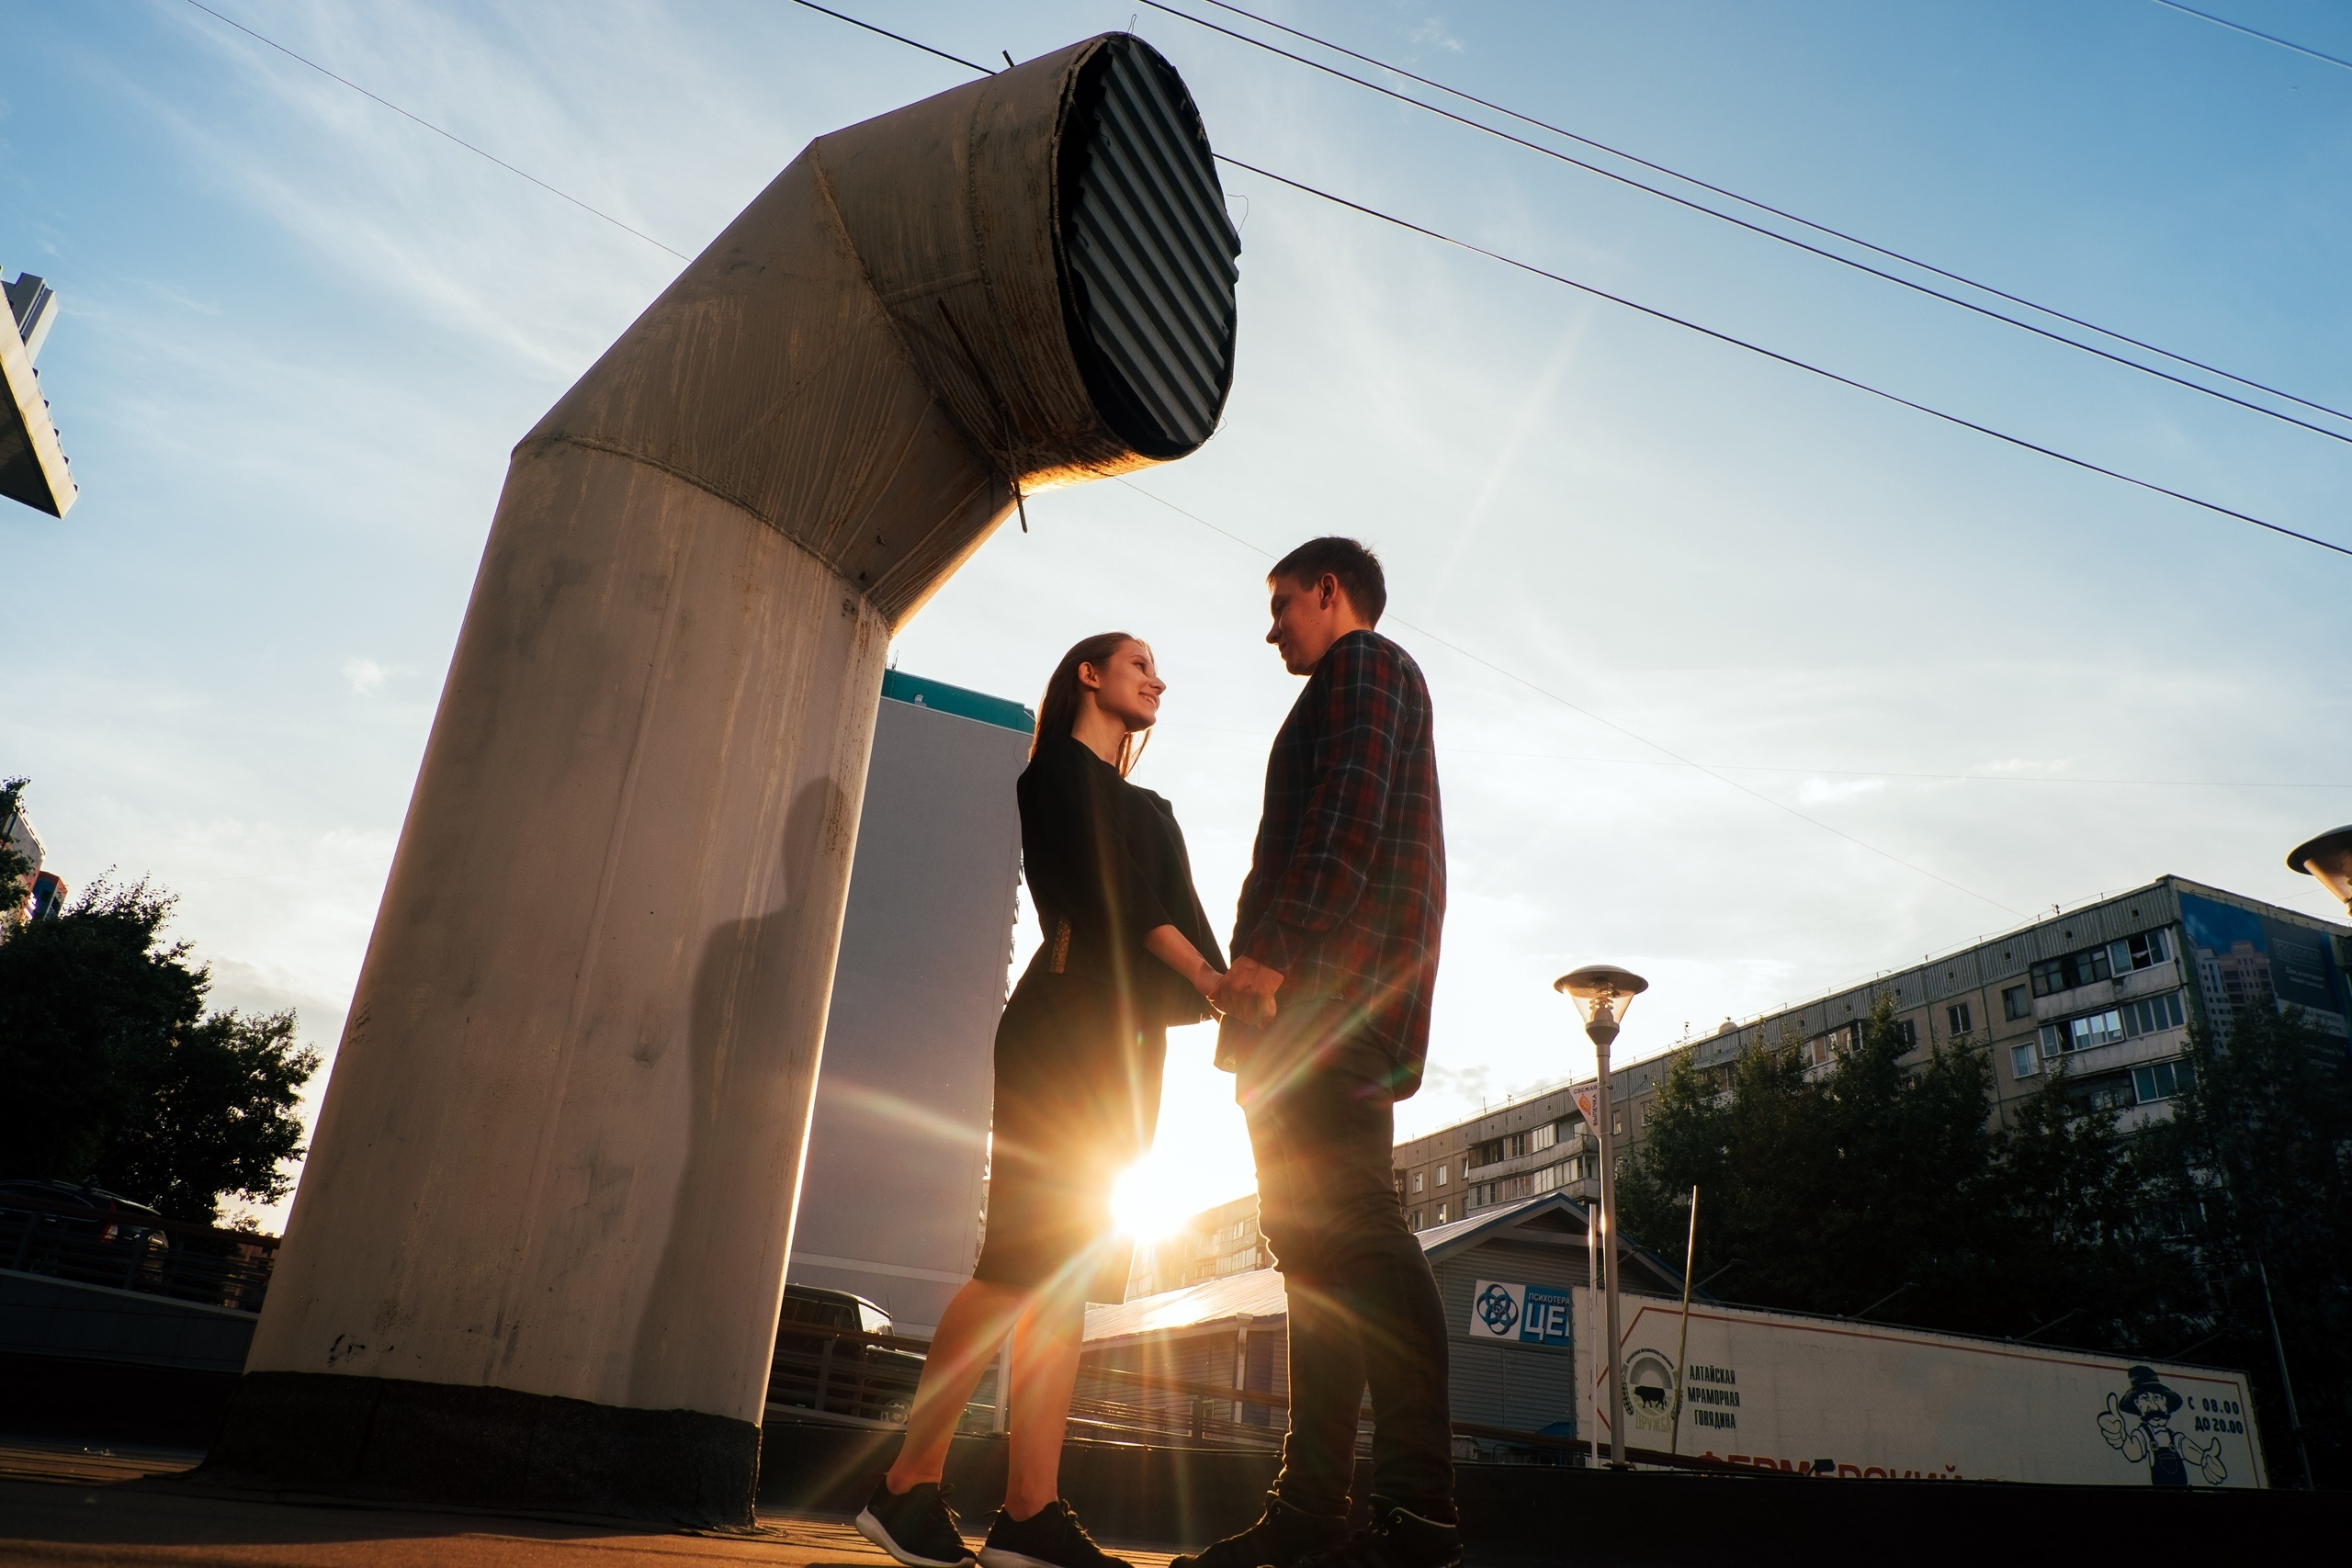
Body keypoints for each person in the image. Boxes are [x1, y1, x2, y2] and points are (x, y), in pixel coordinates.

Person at [857, 633, 1227, 1568]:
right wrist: (1211, 977)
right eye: (1137, 661)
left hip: (1125, 1046)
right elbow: (1117, 899)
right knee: (1018, 1261)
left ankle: (1029, 1511)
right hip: (1060, 1029)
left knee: (1063, 1281)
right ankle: (906, 1486)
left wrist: (1236, 986)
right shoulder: (1052, 775)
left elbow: (1184, 922)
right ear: (1088, 676)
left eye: (1159, 668)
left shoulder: (1155, 806)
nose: (1157, 677)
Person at [1180, 538, 1460, 1568]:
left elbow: (1344, 819)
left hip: (1326, 1000)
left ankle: (1419, 1513)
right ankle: (1308, 1516)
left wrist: (1275, 958)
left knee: (1358, 1232)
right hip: (1306, 1008)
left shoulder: (1367, 667)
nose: (1273, 627)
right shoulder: (1348, 683)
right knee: (1314, 1257)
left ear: (1330, 591)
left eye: (1283, 602)